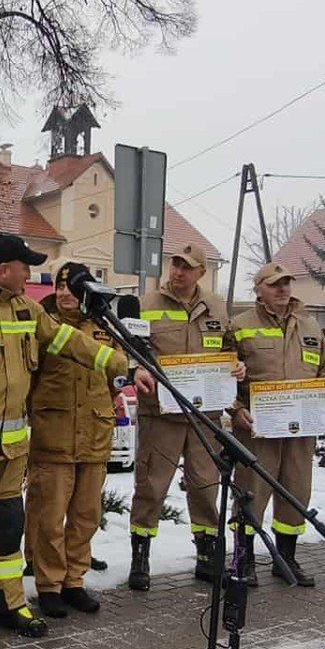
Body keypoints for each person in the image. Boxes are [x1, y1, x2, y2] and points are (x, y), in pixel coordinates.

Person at [0, 234, 122, 649]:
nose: (30, 275)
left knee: (9, 529)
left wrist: (120, 362)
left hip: (12, 449)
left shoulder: (26, 308)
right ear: (2, 270)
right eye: (24, 267)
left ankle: (9, 604)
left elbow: (69, 341)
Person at [128, 244, 234, 590]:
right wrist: (136, 369)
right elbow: (127, 347)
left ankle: (206, 555)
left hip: (205, 416)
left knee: (206, 486)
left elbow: (230, 349)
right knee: (151, 486)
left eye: (186, 268)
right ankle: (140, 558)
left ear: (201, 273)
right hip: (161, 414)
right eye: (175, 265)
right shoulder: (147, 305)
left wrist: (237, 366)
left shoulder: (217, 306)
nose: (178, 272)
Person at [25, 262, 120, 617]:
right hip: (54, 436)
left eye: (72, 286)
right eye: (60, 286)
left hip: (94, 435)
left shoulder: (104, 327)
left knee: (86, 516)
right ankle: (48, 584)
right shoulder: (43, 327)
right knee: (49, 517)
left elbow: (116, 377)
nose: (64, 292)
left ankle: (74, 580)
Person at [228, 261, 325, 587]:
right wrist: (237, 408)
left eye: (286, 283)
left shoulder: (310, 326)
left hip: (300, 429)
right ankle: (244, 561)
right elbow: (223, 376)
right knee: (250, 493)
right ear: (258, 289)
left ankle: (286, 558)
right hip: (258, 428)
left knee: (296, 491)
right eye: (274, 284)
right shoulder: (240, 325)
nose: (283, 289)